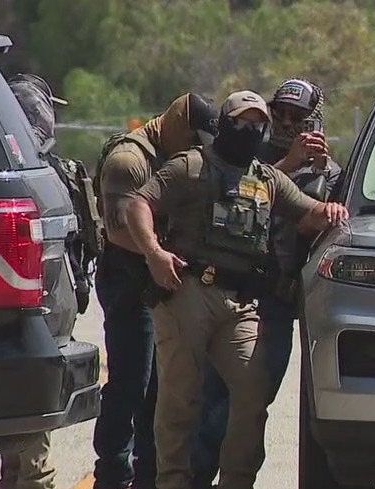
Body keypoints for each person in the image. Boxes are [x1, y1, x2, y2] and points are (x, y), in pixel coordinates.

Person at [123, 90, 348, 489]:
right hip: (188, 291)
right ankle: (173, 482)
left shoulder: (267, 179)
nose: (250, 130)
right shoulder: (191, 167)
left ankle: (237, 480)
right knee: (181, 401)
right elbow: (139, 205)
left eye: (257, 124)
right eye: (242, 122)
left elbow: (306, 212)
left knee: (251, 395)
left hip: (241, 302)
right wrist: (154, 253)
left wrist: (329, 210)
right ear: (225, 124)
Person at [190, 78, 341, 489]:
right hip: (230, 291)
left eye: (298, 117)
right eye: (281, 114)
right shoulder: (245, 156)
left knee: (252, 404)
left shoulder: (329, 174)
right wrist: (289, 164)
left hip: (277, 303)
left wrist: (327, 183)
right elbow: (233, 198)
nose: (288, 123)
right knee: (210, 402)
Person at [93, 92, 217, 489]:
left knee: (161, 387)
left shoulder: (176, 155)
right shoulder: (129, 160)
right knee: (132, 382)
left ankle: (148, 474)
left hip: (160, 280)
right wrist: (159, 252)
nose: (197, 148)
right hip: (129, 282)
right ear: (177, 121)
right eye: (194, 138)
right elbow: (116, 229)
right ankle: (112, 473)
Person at [1, 73, 100, 489]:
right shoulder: (39, 177)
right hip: (36, 311)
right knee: (30, 420)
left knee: (21, 417)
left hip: (41, 310)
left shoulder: (45, 174)